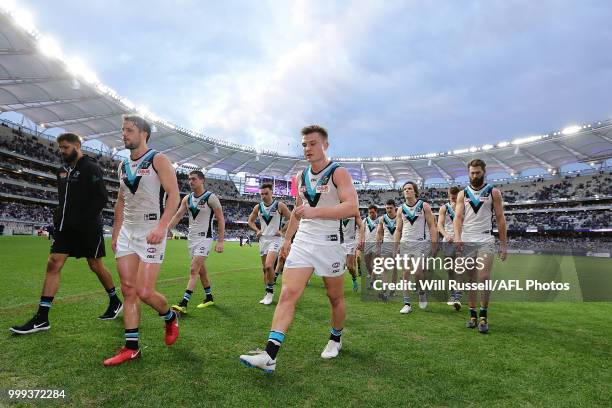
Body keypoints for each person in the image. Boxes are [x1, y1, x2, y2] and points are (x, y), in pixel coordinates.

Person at [239, 125, 359, 373]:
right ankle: (270, 355)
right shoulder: (299, 177)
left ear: (325, 145)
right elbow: (297, 209)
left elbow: (351, 208)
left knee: (334, 297)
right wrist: (287, 240)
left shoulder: (339, 173)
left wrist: (315, 212)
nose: (307, 148)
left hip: (330, 241)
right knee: (287, 294)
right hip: (304, 240)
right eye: (304, 144)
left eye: (313, 143)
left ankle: (335, 338)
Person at [10, 133, 122, 335]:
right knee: (53, 263)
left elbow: (101, 198)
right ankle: (42, 318)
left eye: (65, 147)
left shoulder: (90, 167)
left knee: (95, 265)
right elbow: (65, 199)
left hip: (88, 227)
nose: (62, 151)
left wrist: (84, 220)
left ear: (77, 146)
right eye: (60, 148)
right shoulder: (61, 171)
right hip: (65, 227)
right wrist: (59, 215)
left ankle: (115, 301)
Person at [103, 114, 180, 366]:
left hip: (151, 230)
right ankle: (131, 347)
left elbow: (174, 195)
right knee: (128, 290)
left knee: (145, 291)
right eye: (122, 130)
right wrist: (116, 232)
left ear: (143, 133)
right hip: (127, 231)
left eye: (129, 130)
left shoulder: (158, 159)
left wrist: (162, 226)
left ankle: (169, 317)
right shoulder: (122, 166)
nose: (124, 134)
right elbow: (121, 201)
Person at [454, 159, 507, 334]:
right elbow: (458, 217)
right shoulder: (463, 194)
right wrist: (457, 236)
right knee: (471, 278)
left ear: (484, 172)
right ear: (468, 173)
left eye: (477, 172)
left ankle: (483, 316)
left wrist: (503, 245)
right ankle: (472, 315)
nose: (474, 175)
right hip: (468, 238)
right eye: (472, 173)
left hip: (485, 238)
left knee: (483, 276)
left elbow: (500, 219)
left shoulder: (493, 192)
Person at [169, 170, 225, 314]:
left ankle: (184, 303)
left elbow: (221, 219)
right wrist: (166, 229)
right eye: (189, 179)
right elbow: (177, 216)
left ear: (202, 180)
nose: (190, 182)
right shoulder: (187, 199)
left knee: (194, 269)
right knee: (201, 271)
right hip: (192, 239)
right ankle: (209, 297)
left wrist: (220, 241)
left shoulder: (211, 198)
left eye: (193, 179)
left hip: (205, 238)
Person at [394, 181, 437, 314]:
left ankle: (422, 292)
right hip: (405, 243)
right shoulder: (400, 209)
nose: (407, 191)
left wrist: (434, 242)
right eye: (405, 189)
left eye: (410, 188)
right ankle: (407, 303)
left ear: (415, 191)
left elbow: (431, 225)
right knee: (405, 273)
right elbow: (398, 229)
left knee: (418, 272)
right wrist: (396, 246)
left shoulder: (424, 206)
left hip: (420, 243)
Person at [247, 183, 291, 305]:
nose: (264, 196)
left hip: (275, 240)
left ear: (272, 193)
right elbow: (250, 221)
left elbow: (292, 218)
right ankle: (267, 293)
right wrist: (257, 230)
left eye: (266, 193)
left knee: (268, 265)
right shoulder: (258, 207)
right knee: (265, 270)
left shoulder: (279, 205)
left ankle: (270, 293)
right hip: (263, 240)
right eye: (261, 194)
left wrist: (282, 230)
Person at [437, 186, 462, 310]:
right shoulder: (444, 208)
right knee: (450, 271)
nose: (452, 197)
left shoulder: (464, 207)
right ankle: (453, 294)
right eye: (451, 196)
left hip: (461, 241)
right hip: (447, 242)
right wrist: (446, 235)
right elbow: (439, 225)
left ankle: (457, 296)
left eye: (455, 196)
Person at [339, 216, 363, 292]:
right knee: (338, 266)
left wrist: (360, 240)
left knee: (349, 266)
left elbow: (361, 226)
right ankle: (338, 287)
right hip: (341, 243)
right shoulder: (338, 215)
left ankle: (354, 280)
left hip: (351, 243)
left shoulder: (353, 215)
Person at [358, 204, 380, 287]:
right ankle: (372, 276)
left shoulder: (380, 220)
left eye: (373, 212)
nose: (371, 214)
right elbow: (362, 232)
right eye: (370, 212)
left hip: (376, 244)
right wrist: (361, 241)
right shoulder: (365, 220)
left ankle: (373, 281)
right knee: (367, 264)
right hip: (367, 244)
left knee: (375, 263)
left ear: (376, 212)